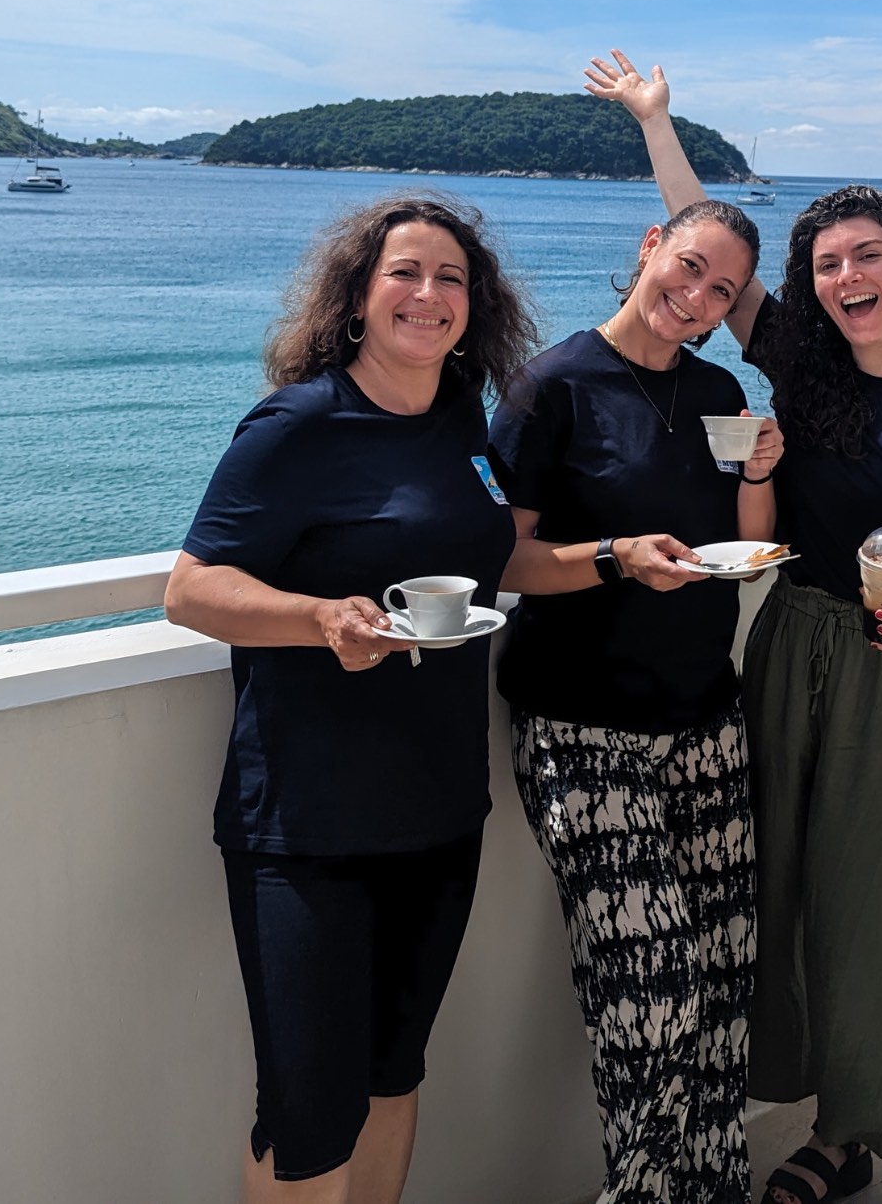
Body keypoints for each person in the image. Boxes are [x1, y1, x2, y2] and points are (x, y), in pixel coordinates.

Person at [587, 53, 882, 1204]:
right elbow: (703, 254)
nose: (844, 277)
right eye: (826, 263)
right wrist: (655, 121)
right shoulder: (800, 364)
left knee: (880, 899)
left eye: (866, 256)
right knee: (784, 895)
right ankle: (838, 1135)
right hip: (788, 642)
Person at [163, 196, 538, 1204]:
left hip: (440, 808)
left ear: (475, 302)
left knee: (392, 1074)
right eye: (404, 274)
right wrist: (320, 619)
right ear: (360, 298)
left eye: (450, 277)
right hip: (308, 824)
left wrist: (620, 556)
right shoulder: (299, 425)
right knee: (307, 1109)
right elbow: (192, 589)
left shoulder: (462, 421)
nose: (429, 294)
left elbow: (498, 559)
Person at [487, 198, 784, 1203]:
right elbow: (504, 562)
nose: (695, 298)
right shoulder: (549, 387)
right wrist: (613, 558)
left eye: (721, 290)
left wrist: (759, 473)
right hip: (579, 727)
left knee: (722, 987)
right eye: (688, 267)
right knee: (646, 1001)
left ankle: (714, 1186)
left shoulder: (719, 388)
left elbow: (745, 544)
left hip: (705, 718)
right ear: (649, 246)